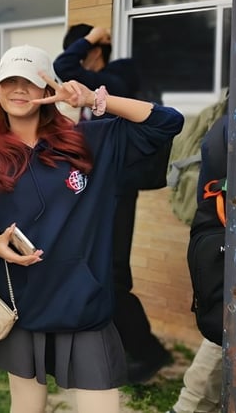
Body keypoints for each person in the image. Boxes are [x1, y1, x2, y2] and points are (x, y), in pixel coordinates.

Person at [0, 45, 184, 412]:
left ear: (46, 91)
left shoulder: (90, 140)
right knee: (26, 407)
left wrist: (95, 98)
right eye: (9, 82)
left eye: (30, 81)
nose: (19, 90)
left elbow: (168, 122)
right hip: (24, 303)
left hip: (84, 303)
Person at [54, 24, 172, 383]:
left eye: (82, 48)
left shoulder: (118, 76)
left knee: (114, 276)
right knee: (102, 270)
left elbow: (64, 65)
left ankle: (148, 352)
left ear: (95, 51)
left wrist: (92, 37)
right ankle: (126, 344)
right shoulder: (98, 86)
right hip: (101, 189)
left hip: (119, 190)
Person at [167, 113, 227, 413]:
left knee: (224, 328)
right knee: (227, 330)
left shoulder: (229, 116)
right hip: (231, 240)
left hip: (218, 241)